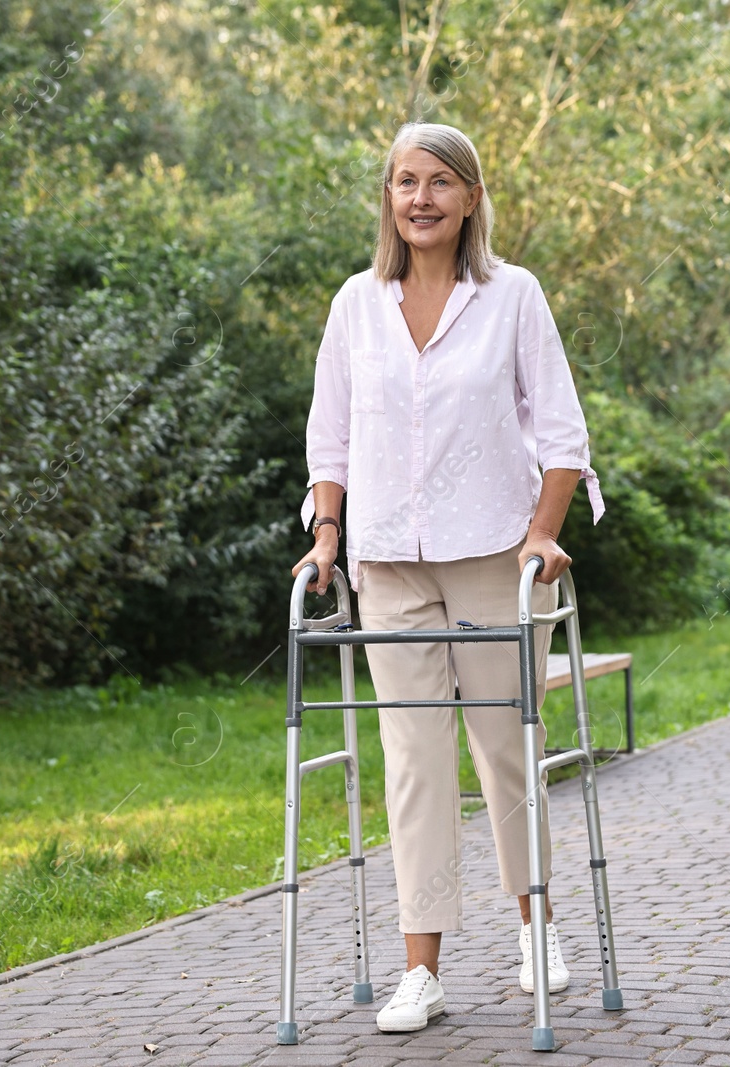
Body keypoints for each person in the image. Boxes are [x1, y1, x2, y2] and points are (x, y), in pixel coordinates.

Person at [291, 120, 605, 1032]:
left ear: (470, 196)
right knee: (415, 763)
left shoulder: (512, 295)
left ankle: (537, 926)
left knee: (506, 749)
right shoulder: (358, 302)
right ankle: (420, 968)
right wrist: (327, 533)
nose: (419, 198)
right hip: (387, 561)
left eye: (437, 182)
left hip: (494, 558)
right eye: (403, 182)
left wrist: (544, 533)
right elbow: (330, 433)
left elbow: (561, 431)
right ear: (388, 199)